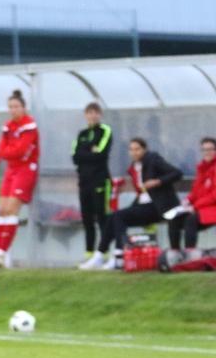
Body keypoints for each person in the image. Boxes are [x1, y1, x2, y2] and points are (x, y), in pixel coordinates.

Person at [93, 138, 182, 270]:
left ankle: (120, 255)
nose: (134, 153)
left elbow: (177, 173)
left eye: (137, 149)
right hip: (144, 204)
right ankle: (100, 254)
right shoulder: (134, 168)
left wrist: (157, 181)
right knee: (113, 217)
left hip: (159, 206)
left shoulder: (152, 159)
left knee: (119, 216)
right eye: (131, 150)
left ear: (144, 150)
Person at [0, 89, 39, 268]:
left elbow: (21, 149)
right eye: (10, 107)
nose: (13, 110)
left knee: (11, 210)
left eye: (16, 106)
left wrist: (11, 150)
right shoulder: (8, 126)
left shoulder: (29, 125)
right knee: (2, 210)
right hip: (11, 169)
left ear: (23, 108)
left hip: (25, 170)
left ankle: (2, 253)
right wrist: (11, 151)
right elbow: (2, 150)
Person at [73, 103, 114, 269]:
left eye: (95, 113)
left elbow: (101, 155)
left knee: (102, 216)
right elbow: (75, 156)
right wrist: (91, 151)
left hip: (100, 180)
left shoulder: (105, 131)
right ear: (85, 115)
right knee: (87, 217)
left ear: (100, 114)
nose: (92, 116)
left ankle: (103, 253)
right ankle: (89, 252)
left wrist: (87, 153)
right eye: (89, 113)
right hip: (84, 181)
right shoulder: (82, 134)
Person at [172, 137, 216, 250]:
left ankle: (189, 253)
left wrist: (194, 206)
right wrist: (187, 201)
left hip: (212, 208)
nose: (207, 153)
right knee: (174, 220)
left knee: (190, 220)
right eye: (204, 150)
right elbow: (195, 191)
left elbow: (213, 196)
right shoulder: (201, 168)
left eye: (210, 149)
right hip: (201, 207)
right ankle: (174, 253)